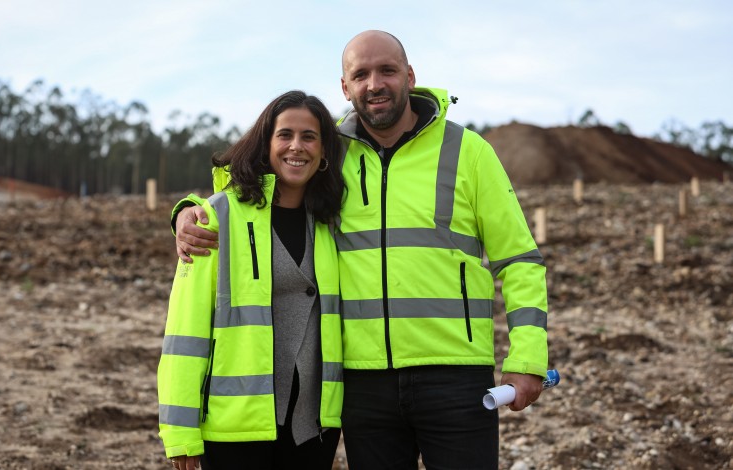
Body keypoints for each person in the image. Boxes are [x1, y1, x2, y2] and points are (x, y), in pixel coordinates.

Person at [174, 31, 549, 470]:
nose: (375, 83)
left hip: (455, 376)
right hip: (363, 384)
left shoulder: (468, 152)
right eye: (361, 74)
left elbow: (520, 260)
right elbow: (256, 186)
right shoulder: (330, 154)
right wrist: (190, 211)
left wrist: (526, 359)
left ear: (409, 76)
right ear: (345, 87)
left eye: (387, 70)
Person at [158, 90, 345, 470]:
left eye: (309, 136)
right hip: (234, 430)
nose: (297, 146)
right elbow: (185, 330)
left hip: (312, 427)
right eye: (285, 135)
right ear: (265, 143)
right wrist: (179, 431)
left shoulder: (333, 223)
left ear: (324, 151)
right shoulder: (216, 217)